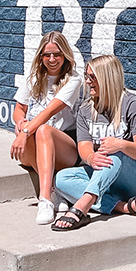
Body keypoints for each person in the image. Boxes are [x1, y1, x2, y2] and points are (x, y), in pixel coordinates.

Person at [52, 55, 136, 231]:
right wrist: (91, 157)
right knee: (62, 179)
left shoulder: (132, 104)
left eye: (92, 77)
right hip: (105, 178)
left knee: (112, 151)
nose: (87, 82)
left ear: (107, 78)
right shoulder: (87, 109)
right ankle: (123, 207)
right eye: (87, 77)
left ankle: (82, 206)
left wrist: (121, 145)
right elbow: (84, 146)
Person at [11, 31, 81, 225]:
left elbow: (50, 111)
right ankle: (52, 191)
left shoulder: (73, 79)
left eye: (57, 54)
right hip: (32, 144)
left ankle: (45, 201)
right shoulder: (33, 77)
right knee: (34, 129)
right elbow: (18, 109)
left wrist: (25, 132)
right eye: (47, 55)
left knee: (42, 129)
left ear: (65, 55)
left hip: (63, 147)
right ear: (40, 56)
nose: (52, 59)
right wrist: (21, 123)